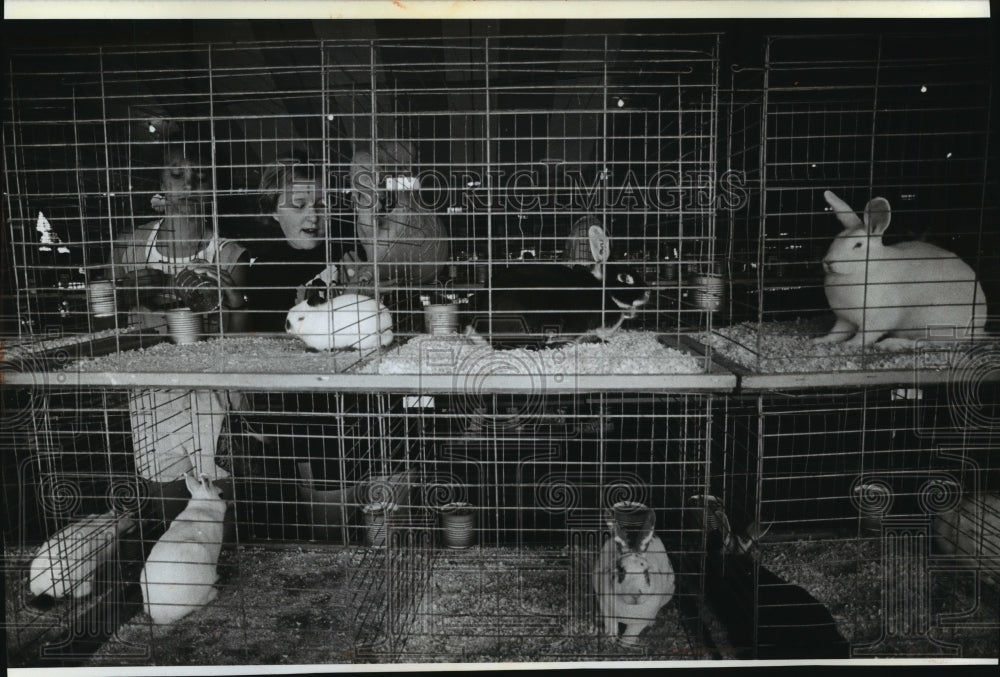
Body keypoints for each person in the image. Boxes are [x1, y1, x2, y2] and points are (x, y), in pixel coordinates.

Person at [110, 146, 247, 528]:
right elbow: (104, 324)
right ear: (161, 185)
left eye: (200, 176)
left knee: (216, 506)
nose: (188, 185)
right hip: (153, 395)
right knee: (170, 505)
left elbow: (241, 343)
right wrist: (128, 292)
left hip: (212, 396)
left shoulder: (229, 253)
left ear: (211, 188)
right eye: (177, 175)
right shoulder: (131, 247)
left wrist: (231, 299)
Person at [243, 158, 343, 332]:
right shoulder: (264, 271)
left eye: (322, 205)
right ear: (274, 211)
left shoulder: (346, 251)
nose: (313, 216)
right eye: (298, 205)